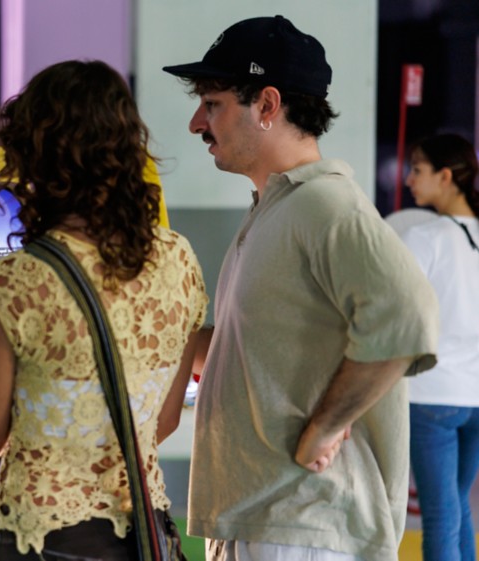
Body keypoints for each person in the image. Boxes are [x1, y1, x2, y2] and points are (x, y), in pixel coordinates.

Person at [162, 15, 439, 561]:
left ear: (267, 105)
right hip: (264, 518)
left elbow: (407, 319)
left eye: (212, 102)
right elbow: (259, 350)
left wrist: (324, 427)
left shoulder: (324, 203)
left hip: (303, 524)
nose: (197, 122)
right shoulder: (276, 207)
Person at [0, 59, 209, 560]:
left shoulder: (15, 282)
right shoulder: (179, 261)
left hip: (46, 539)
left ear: (36, 159)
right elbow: (163, 420)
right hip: (143, 531)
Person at [400, 133, 479, 561]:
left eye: (417, 169)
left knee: (441, 513)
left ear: (446, 176)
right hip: (476, 398)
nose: (409, 178)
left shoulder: (423, 238)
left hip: (431, 397)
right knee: (456, 507)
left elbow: (396, 312)